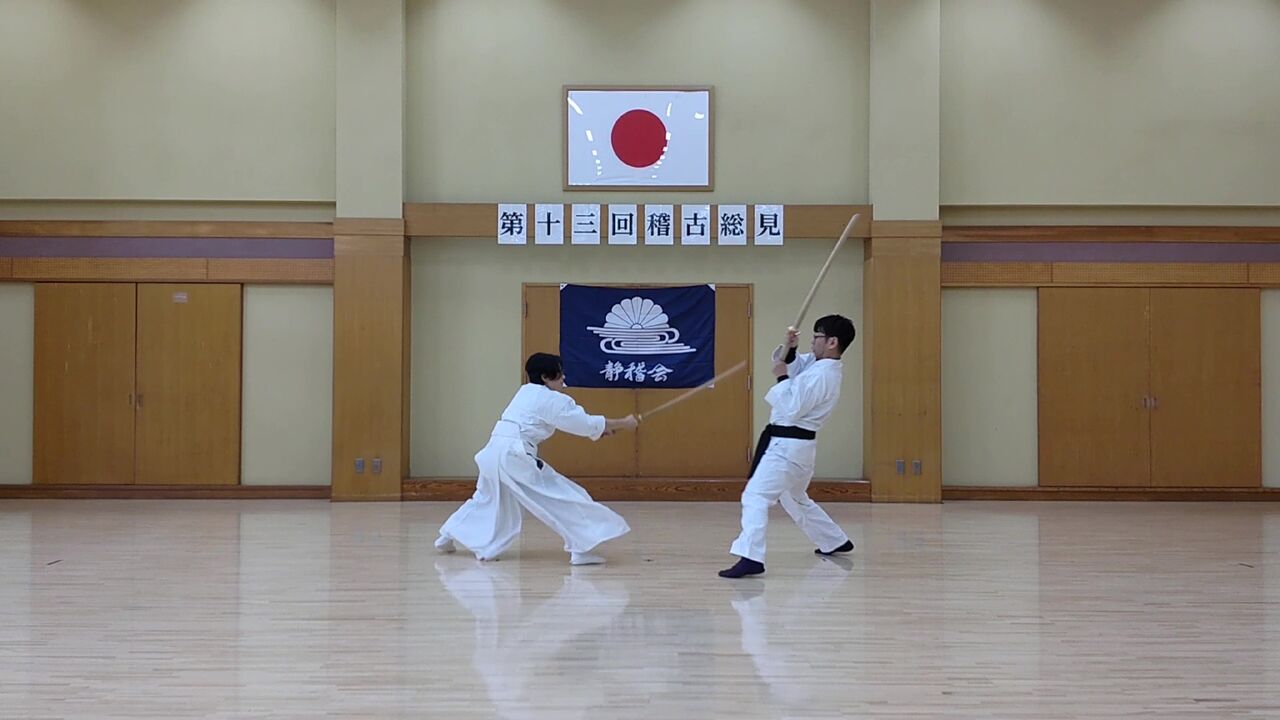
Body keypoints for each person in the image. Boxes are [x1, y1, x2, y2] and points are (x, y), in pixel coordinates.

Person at [436, 352, 638, 565]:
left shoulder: (525, 392)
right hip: (514, 456)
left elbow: (581, 424)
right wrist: (624, 423)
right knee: (564, 497)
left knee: (486, 499)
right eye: (559, 375)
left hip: (492, 453)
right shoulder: (552, 399)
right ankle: (581, 550)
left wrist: (600, 429)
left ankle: (446, 536)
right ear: (545, 377)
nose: (563, 379)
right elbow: (584, 424)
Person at [719, 315, 857, 579]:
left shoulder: (824, 375)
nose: (813, 341)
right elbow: (798, 365)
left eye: (817, 336)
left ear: (832, 342)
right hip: (796, 448)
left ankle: (751, 557)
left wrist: (781, 376)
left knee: (755, 496)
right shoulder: (818, 366)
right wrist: (790, 349)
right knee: (793, 496)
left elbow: (793, 407)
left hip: (788, 448)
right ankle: (834, 540)